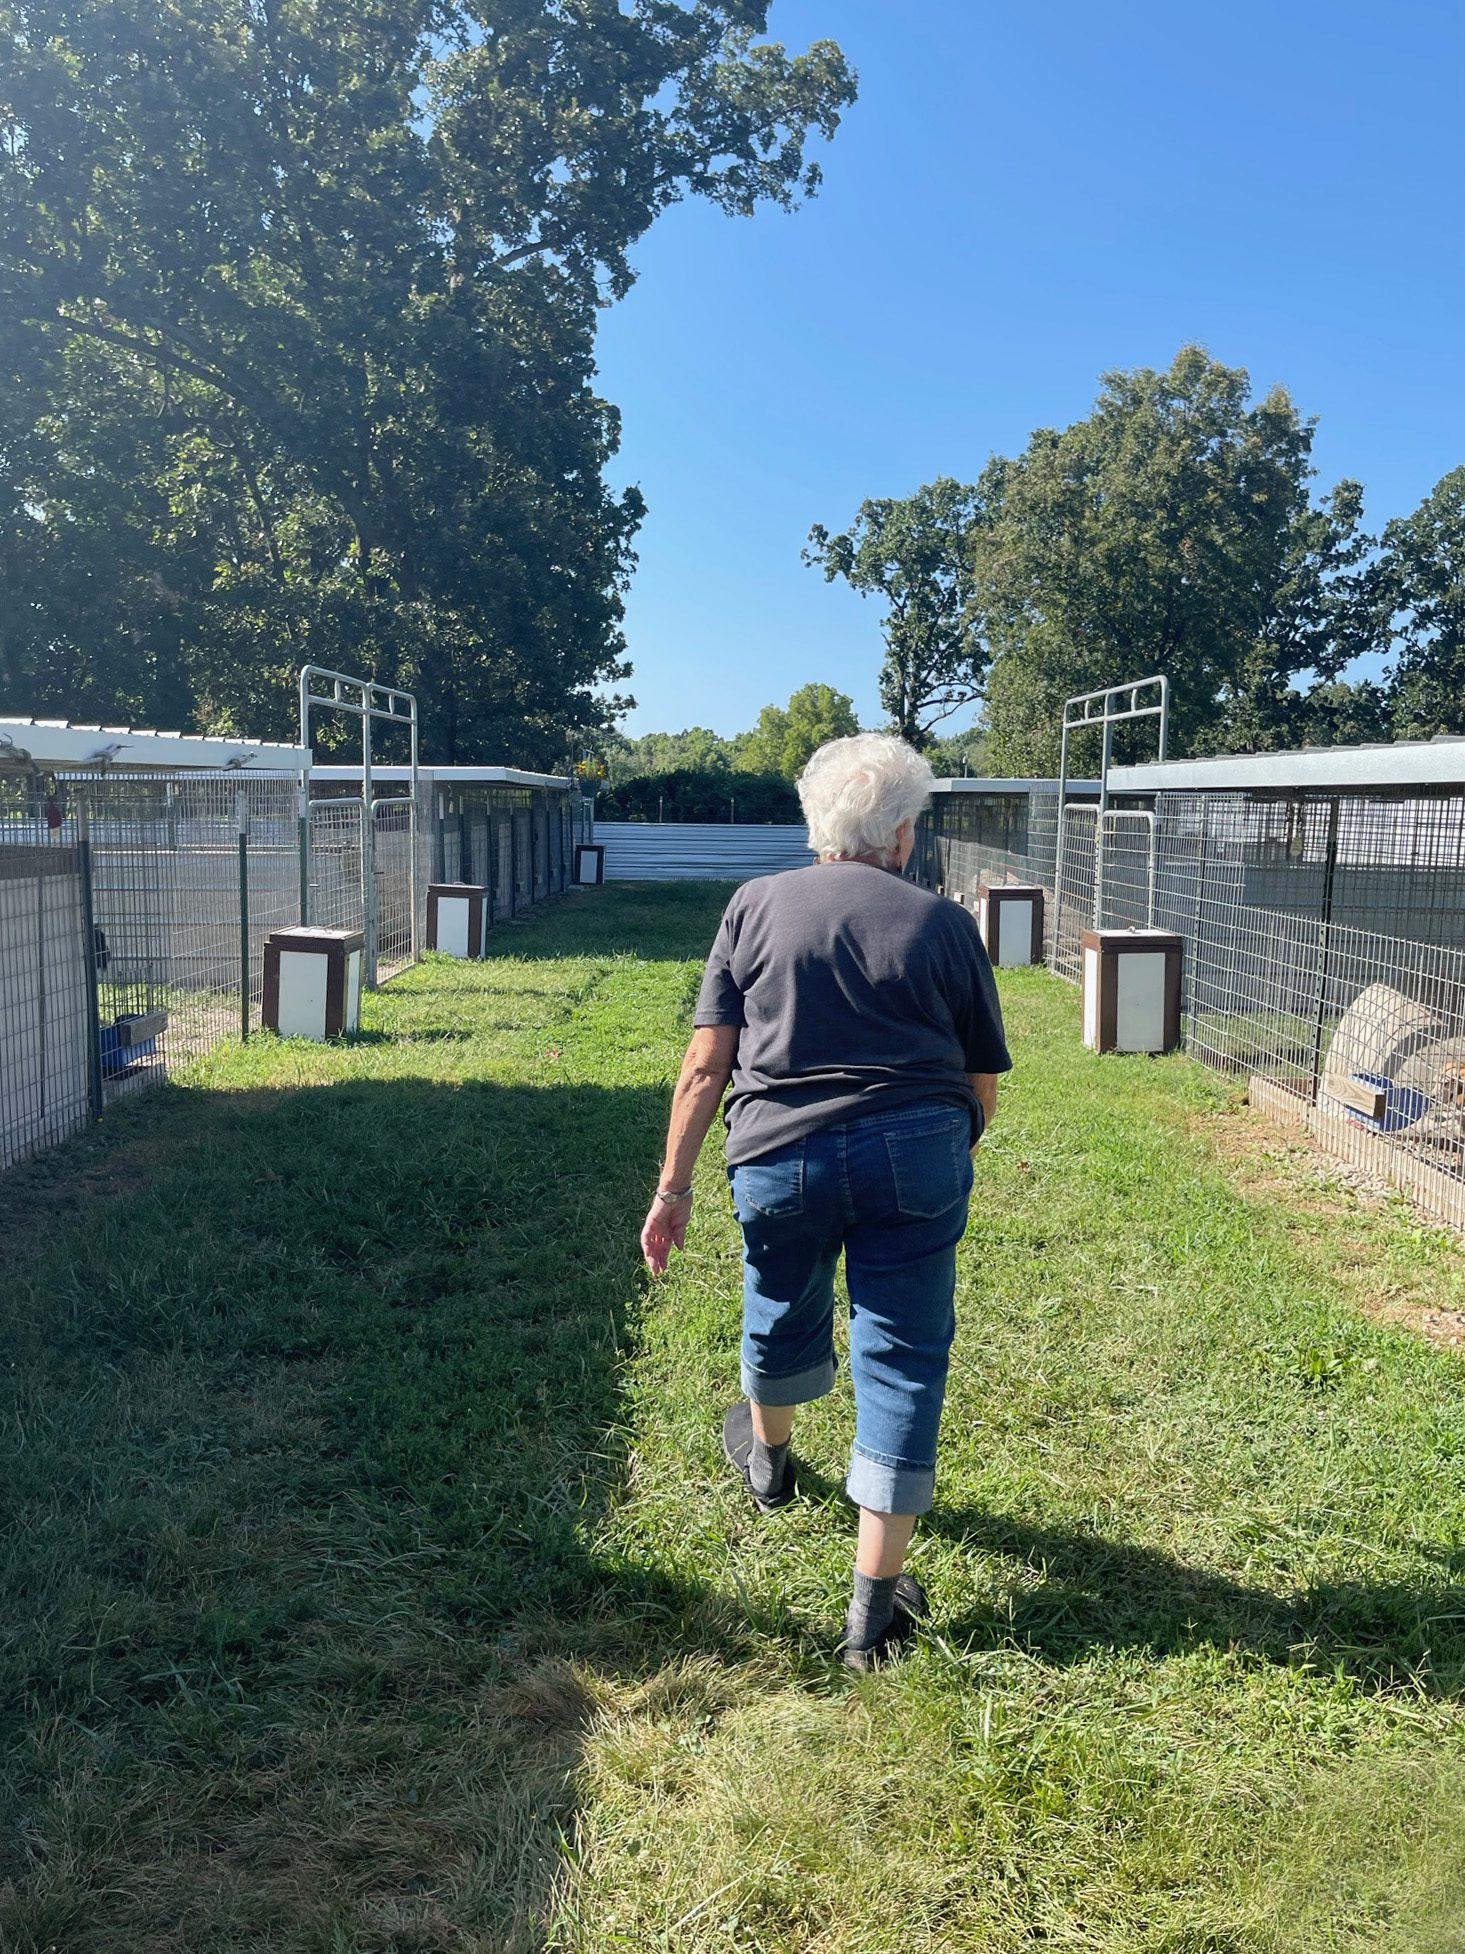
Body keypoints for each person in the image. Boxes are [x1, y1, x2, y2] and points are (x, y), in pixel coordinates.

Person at [640, 733, 1011, 1670]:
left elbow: (703, 1066)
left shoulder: (753, 905)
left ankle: (769, 1468)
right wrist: (940, 1154)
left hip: (778, 1157)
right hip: (916, 1154)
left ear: (817, 824)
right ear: (897, 836)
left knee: (777, 1303)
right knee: (903, 1358)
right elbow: (982, 1084)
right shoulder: (942, 924)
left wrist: (672, 1187)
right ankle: (873, 1615)